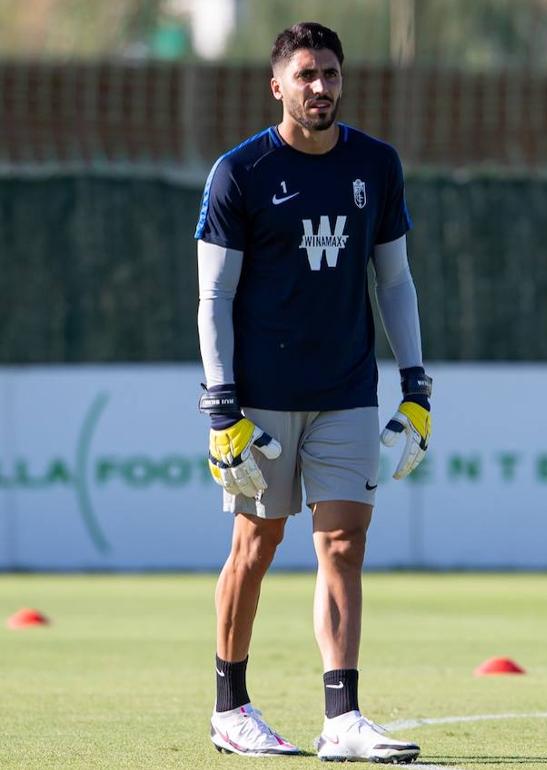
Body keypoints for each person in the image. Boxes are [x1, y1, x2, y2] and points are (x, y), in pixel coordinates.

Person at [194, 21, 429, 763]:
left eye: (330, 72)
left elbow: (394, 279)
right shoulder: (240, 173)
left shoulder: (377, 165)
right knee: (256, 543)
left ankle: (343, 718)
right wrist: (221, 406)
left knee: (344, 543)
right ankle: (230, 707)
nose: (320, 86)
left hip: (348, 390)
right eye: (306, 75)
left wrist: (416, 388)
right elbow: (212, 298)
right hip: (260, 395)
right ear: (277, 85)